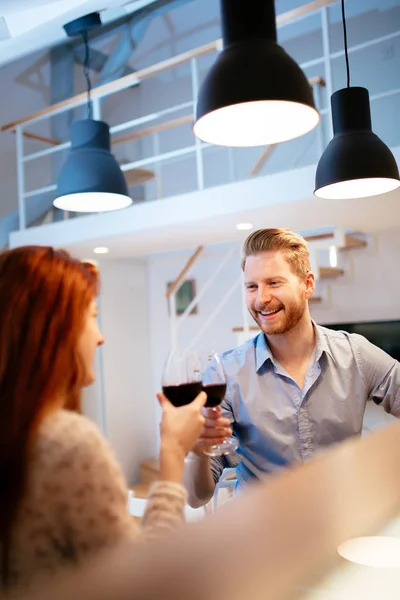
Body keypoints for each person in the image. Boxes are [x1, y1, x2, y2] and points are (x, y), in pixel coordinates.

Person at [0, 246, 206, 595]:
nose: (100, 336)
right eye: (92, 315)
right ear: (54, 328)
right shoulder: (66, 443)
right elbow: (143, 585)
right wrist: (172, 451)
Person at [184, 228, 400, 507]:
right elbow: (196, 496)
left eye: (274, 283)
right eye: (252, 286)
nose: (261, 299)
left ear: (308, 285)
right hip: (262, 534)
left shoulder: (355, 354)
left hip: (342, 521)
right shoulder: (224, 374)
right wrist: (196, 452)